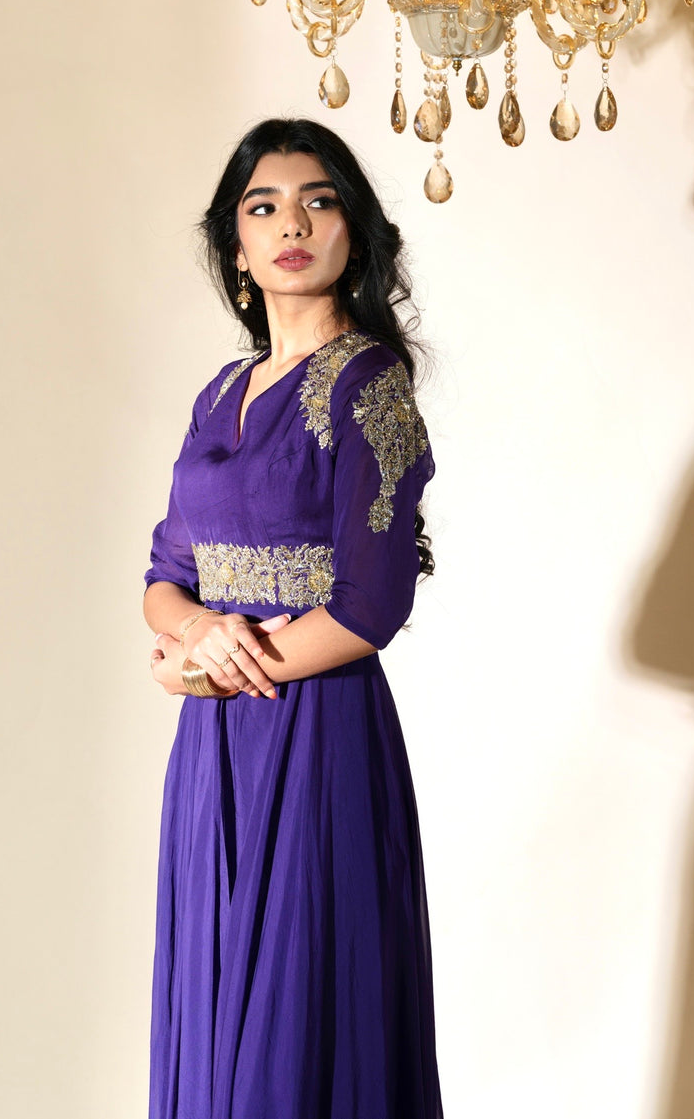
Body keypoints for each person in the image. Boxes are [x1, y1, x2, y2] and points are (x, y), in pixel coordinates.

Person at [144, 118, 443, 1119]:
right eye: (263, 206)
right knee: (215, 1012)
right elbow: (165, 575)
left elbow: (370, 606)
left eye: (319, 202)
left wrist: (195, 666)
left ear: (354, 232)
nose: (293, 224)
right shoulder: (219, 393)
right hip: (212, 755)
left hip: (317, 736)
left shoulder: (371, 383)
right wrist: (190, 636)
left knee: (299, 1023)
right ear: (236, 248)